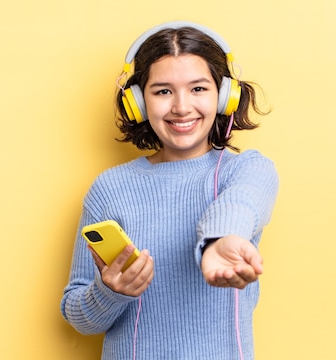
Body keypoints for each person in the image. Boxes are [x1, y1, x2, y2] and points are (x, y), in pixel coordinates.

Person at [61, 21, 279, 360]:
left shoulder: (248, 169)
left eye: (198, 89)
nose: (180, 107)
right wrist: (110, 292)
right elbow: (78, 316)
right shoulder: (110, 188)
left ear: (224, 96)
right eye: (163, 91)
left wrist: (219, 241)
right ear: (138, 102)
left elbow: (240, 204)